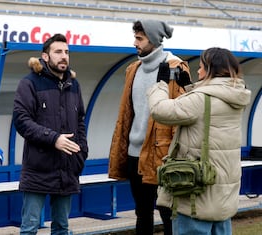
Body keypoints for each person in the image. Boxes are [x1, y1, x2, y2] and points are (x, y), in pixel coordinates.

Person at [148, 47, 251, 235]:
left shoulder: (201, 100)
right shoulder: (236, 95)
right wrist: (189, 86)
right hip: (222, 193)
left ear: (211, 70)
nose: (197, 71)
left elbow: (160, 110)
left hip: (197, 196)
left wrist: (161, 84)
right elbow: (206, 106)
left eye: (201, 67)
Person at [108, 19, 191, 235]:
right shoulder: (132, 69)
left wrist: (176, 155)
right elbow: (127, 113)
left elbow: (183, 114)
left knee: (168, 215)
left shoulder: (176, 67)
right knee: (142, 213)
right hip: (135, 155)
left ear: (153, 40)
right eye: (135, 37)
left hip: (163, 157)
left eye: (139, 38)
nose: (134, 43)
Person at [13, 33, 88, 235]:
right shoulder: (29, 83)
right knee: (29, 228)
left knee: (62, 228)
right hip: (38, 169)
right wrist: (53, 138)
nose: (64, 56)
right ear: (45, 57)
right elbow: (21, 121)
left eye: (66, 52)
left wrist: (81, 154)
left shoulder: (74, 85)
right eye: (58, 52)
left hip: (67, 168)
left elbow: (80, 120)